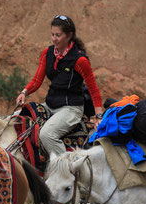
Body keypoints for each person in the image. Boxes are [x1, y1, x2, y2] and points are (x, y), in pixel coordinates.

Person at [16, 15, 104, 157]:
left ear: (69, 36)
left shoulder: (80, 60)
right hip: (50, 104)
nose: (54, 39)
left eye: (58, 35)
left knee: (47, 135)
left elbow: (94, 90)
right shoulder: (48, 52)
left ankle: (67, 170)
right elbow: (37, 79)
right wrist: (24, 92)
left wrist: (99, 116)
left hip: (71, 108)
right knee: (17, 119)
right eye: (52, 34)